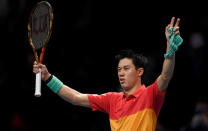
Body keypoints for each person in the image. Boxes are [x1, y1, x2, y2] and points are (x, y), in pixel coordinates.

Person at [33, 17, 182, 131]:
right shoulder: (112, 100)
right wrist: (48, 77)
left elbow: (166, 75)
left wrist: (170, 49)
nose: (121, 73)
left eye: (126, 68)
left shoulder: (150, 95)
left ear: (139, 72)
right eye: (119, 70)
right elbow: (75, 97)